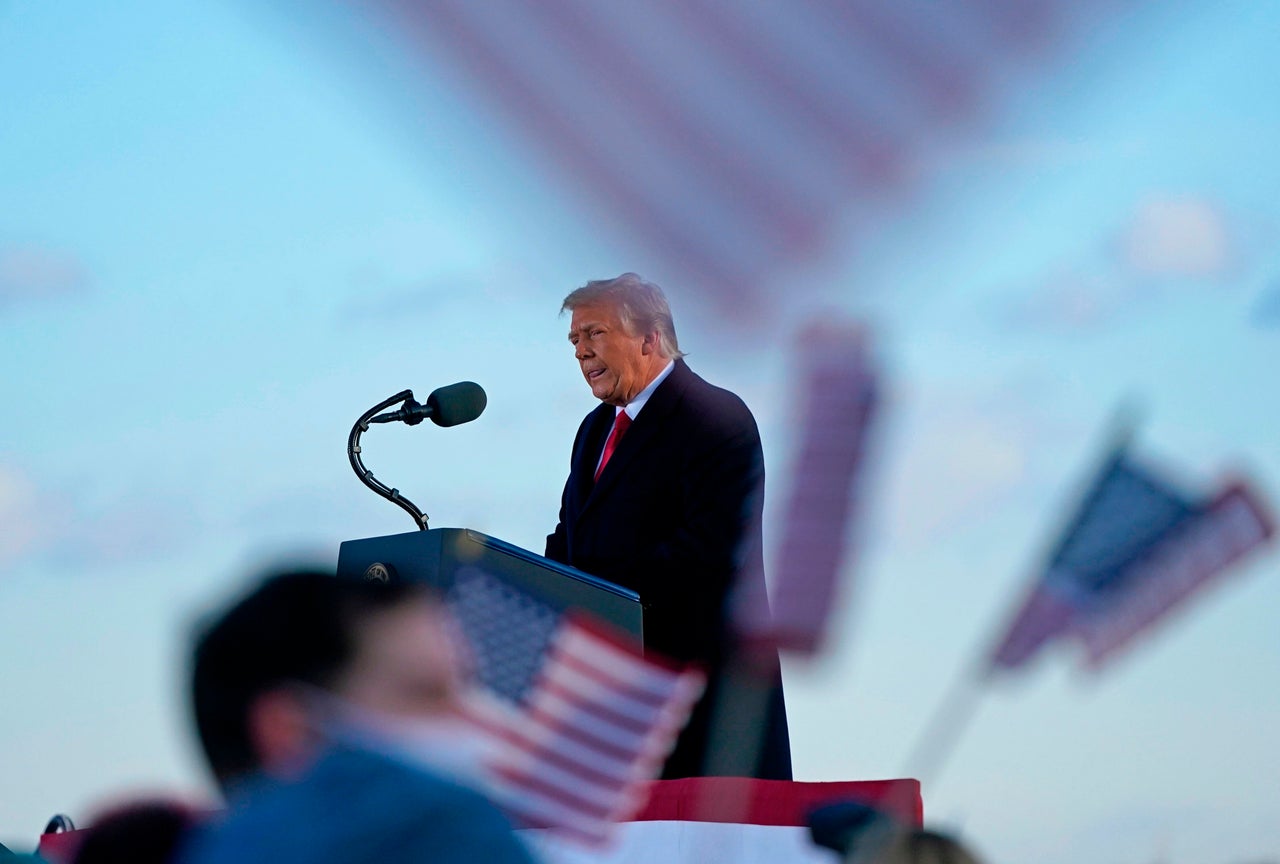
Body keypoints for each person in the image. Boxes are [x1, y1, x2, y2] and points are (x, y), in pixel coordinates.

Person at [545, 273, 791, 780]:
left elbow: (712, 552)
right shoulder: (593, 431)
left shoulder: (715, 416)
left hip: (700, 703)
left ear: (650, 338)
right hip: (609, 701)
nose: (580, 352)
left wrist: (600, 596)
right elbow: (569, 539)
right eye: (575, 339)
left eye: (595, 334)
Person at [179, 570, 536, 864]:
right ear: (290, 733)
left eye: (467, 692)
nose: (481, 723)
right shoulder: (452, 834)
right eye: (425, 694)